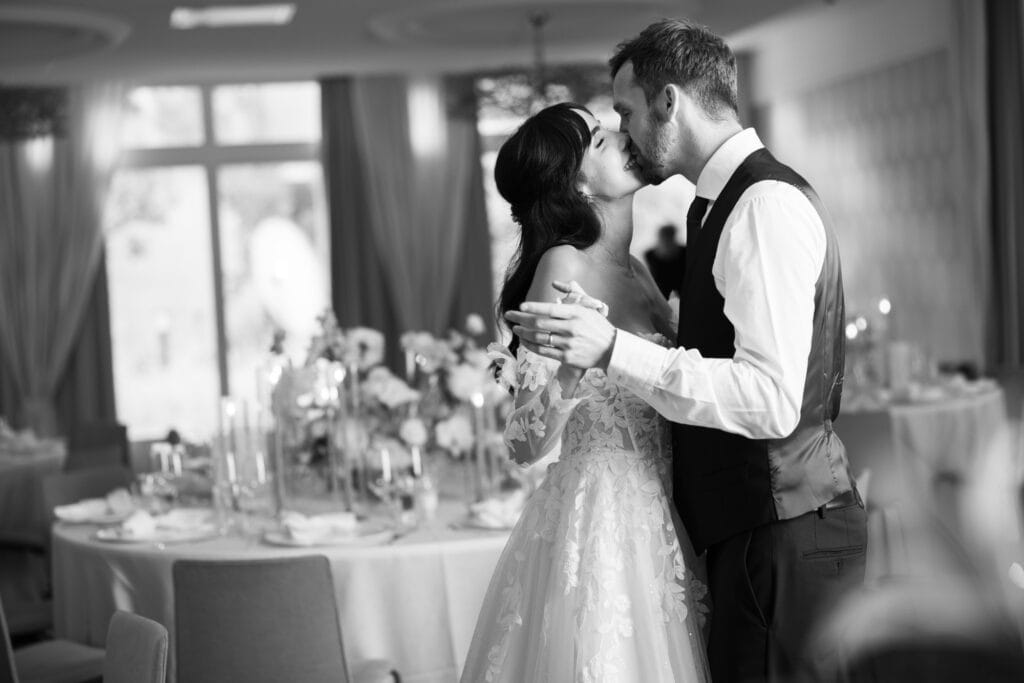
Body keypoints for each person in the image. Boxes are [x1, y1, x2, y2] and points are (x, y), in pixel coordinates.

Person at [505, 19, 866, 683]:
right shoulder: (707, 211)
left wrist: (611, 349)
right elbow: (527, 433)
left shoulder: (755, 205)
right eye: (606, 126)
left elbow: (772, 398)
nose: (622, 131)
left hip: (771, 521)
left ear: (668, 102)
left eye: (623, 112)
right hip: (644, 531)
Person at [460, 102, 711, 683]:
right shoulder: (562, 265)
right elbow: (525, 444)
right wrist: (575, 364)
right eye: (600, 138)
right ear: (576, 181)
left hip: (669, 513)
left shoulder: (640, 273)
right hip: (602, 522)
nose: (625, 135)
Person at [644, 223, 686, 298]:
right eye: (664, 237)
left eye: (668, 237)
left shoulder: (685, 252)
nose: (666, 241)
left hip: (684, 296)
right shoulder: (650, 255)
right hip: (660, 298)